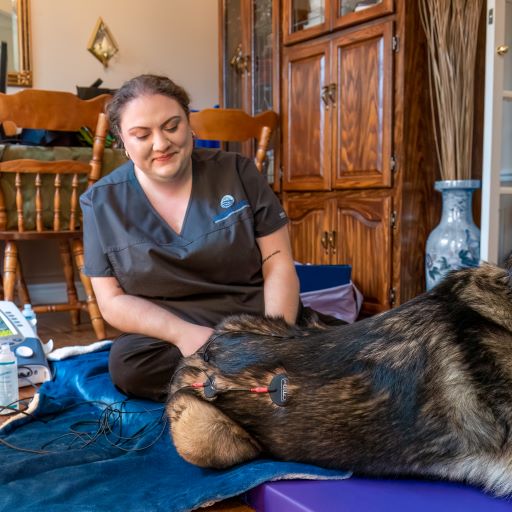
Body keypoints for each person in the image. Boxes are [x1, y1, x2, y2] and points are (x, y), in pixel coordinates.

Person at [80, 74, 300, 402]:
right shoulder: (100, 202)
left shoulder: (237, 171)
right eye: (142, 135)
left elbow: (277, 260)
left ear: (188, 123)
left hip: (252, 312)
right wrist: (185, 335)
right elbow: (110, 300)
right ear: (122, 142)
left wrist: (272, 337)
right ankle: (265, 384)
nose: (161, 143)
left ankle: (233, 384)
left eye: (172, 127)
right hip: (169, 328)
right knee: (129, 366)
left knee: (352, 345)